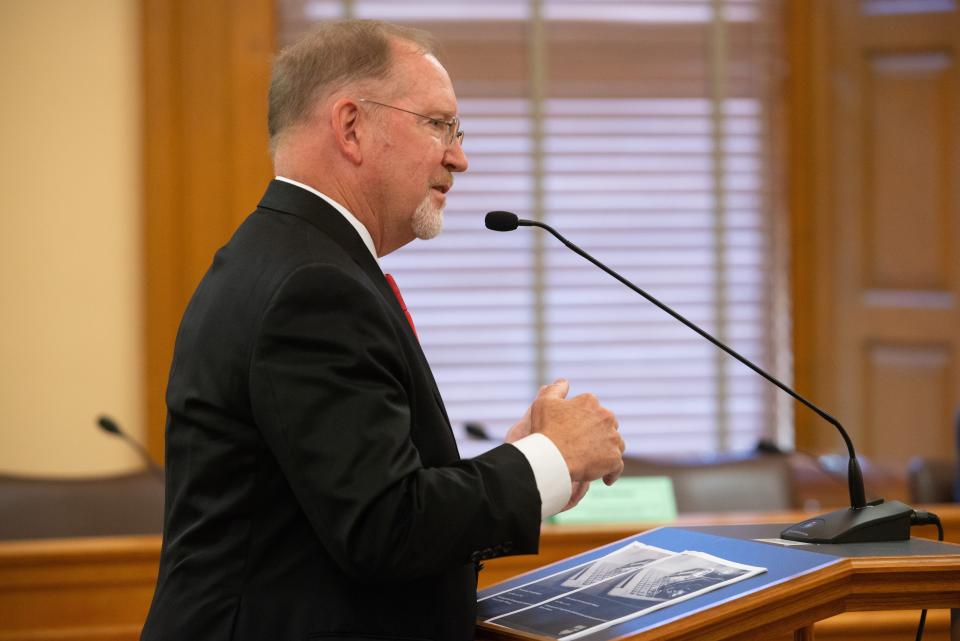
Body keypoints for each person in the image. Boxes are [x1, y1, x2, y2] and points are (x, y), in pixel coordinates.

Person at [140, 19, 624, 641]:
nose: (460, 156)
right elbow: (386, 529)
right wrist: (546, 460)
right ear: (351, 127)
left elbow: (360, 497)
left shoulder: (287, 255)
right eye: (437, 124)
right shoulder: (313, 287)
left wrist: (516, 464)